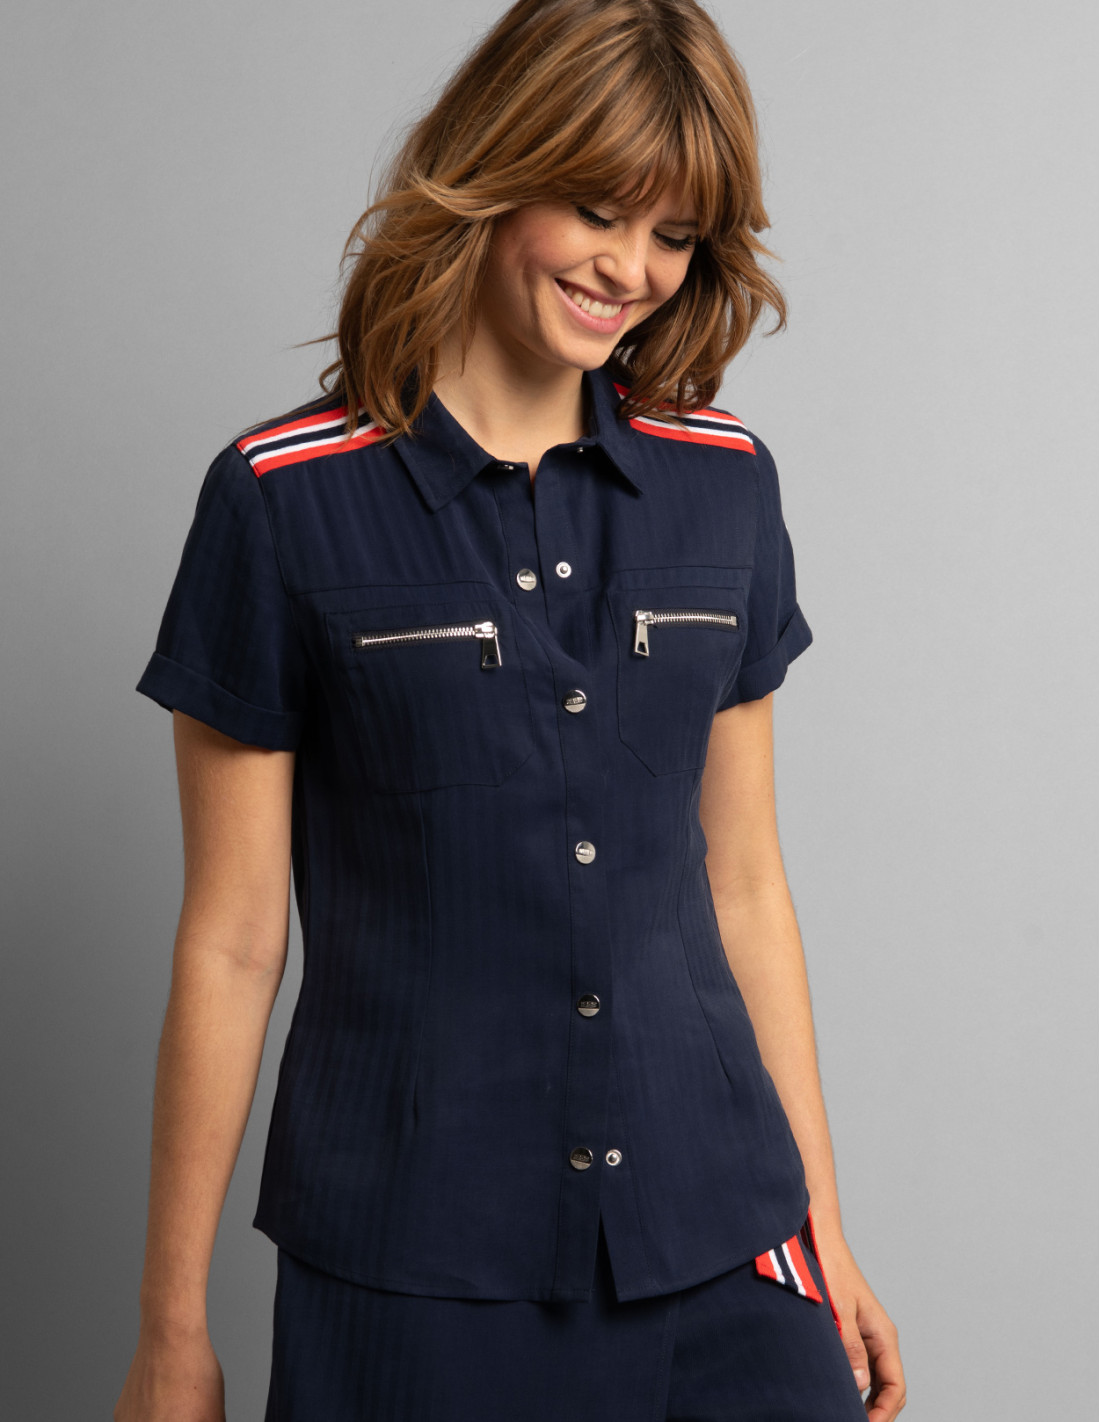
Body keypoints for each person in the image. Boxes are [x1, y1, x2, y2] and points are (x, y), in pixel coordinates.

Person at [114, 1, 906, 1418]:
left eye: (674, 235)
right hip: (417, 1267)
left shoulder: (726, 481)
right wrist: (172, 1330)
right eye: (597, 210)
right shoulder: (285, 500)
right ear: (495, 170)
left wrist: (823, 1231)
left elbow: (745, 884)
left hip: (722, 1232)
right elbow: (232, 942)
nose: (631, 269)